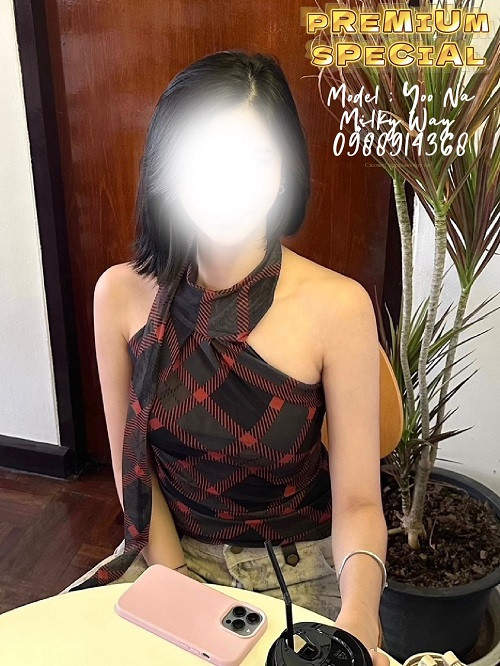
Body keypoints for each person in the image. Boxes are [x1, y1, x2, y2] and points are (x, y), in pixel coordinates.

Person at [88, 50, 388, 664]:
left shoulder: (339, 308)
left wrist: (360, 619)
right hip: (166, 558)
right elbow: (131, 468)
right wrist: (177, 581)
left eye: (255, 160)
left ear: (283, 173)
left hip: (298, 574)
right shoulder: (119, 295)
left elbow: (359, 503)